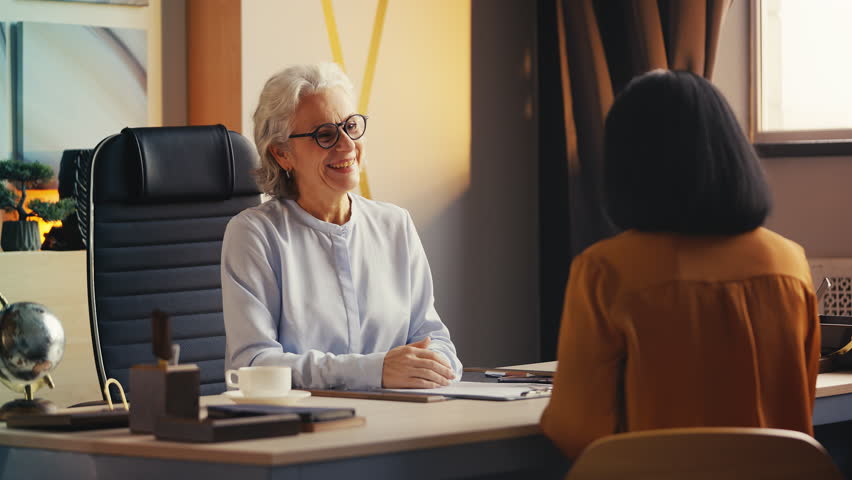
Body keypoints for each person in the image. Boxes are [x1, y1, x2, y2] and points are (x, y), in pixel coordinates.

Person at [540, 69, 819, 459]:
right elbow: (798, 406)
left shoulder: (607, 269)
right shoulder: (789, 264)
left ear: (627, 164)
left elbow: (580, 430)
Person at [221, 63, 462, 390]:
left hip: (402, 420)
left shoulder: (395, 225)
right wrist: (375, 371)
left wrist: (436, 365)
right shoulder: (254, 234)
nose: (347, 145)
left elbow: (435, 340)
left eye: (351, 126)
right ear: (282, 154)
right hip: (304, 429)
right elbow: (253, 364)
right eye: (324, 134)